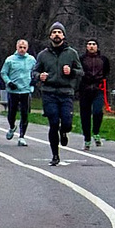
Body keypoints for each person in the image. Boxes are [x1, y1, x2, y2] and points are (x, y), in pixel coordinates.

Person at [35, 22, 82, 167]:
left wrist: (72, 72)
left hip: (66, 92)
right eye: (54, 32)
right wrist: (39, 76)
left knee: (67, 123)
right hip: (49, 93)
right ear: (50, 36)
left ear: (63, 35)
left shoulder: (71, 53)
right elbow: (34, 72)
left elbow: (81, 72)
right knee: (53, 123)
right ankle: (55, 155)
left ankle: (64, 132)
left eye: (59, 32)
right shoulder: (43, 55)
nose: (57, 35)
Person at [0, 37, 37, 144]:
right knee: (11, 113)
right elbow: (3, 73)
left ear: (27, 48)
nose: (22, 49)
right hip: (13, 91)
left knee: (25, 113)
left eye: (24, 47)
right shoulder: (10, 60)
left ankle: (22, 136)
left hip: (26, 90)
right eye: (20, 47)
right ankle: (12, 126)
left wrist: (34, 80)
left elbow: (36, 71)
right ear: (16, 47)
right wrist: (9, 82)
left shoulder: (31, 60)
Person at [79, 38, 112, 148]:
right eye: (89, 44)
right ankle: (87, 138)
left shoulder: (103, 59)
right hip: (85, 89)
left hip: (98, 89)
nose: (91, 46)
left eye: (93, 44)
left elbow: (106, 72)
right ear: (86, 47)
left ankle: (96, 132)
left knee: (98, 111)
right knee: (85, 115)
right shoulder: (82, 59)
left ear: (97, 47)